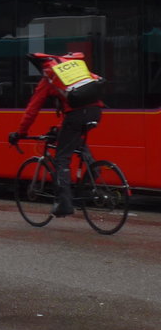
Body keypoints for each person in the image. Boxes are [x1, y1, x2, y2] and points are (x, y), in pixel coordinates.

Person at [8, 52, 105, 217]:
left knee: (61, 158)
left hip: (76, 115)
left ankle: (64, 204)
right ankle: (93, 170)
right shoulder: (72, 69)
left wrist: (20, 133)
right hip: (95, 111)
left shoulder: (49, 79)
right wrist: (59, 128)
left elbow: (32, 110)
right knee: (72, 137)